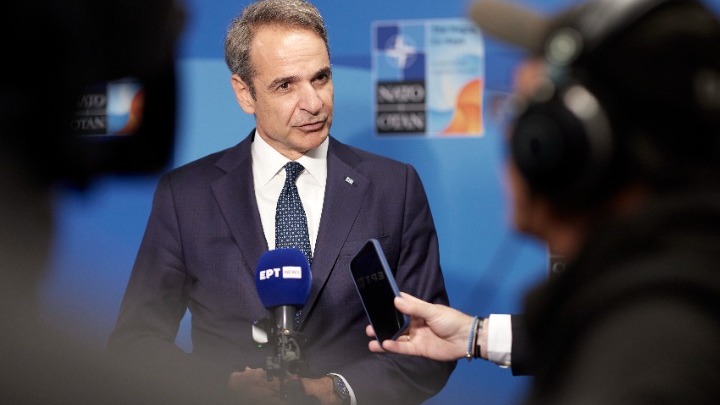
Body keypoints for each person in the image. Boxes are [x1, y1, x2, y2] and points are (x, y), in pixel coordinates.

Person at [368, 0, 720, 403]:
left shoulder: (640, 373)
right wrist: (473, 334)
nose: (512, 137)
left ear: (564, 145)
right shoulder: (668, 304)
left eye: (522, 112)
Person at [107, 1, 455, 404]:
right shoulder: (186, 195)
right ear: (245, 93)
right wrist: (221, 387)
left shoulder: (396, 187)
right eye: (286, 85)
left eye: (321, 78)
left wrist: (336, 391)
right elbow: (136, 341)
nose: (313, 102)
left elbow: (430, 349)